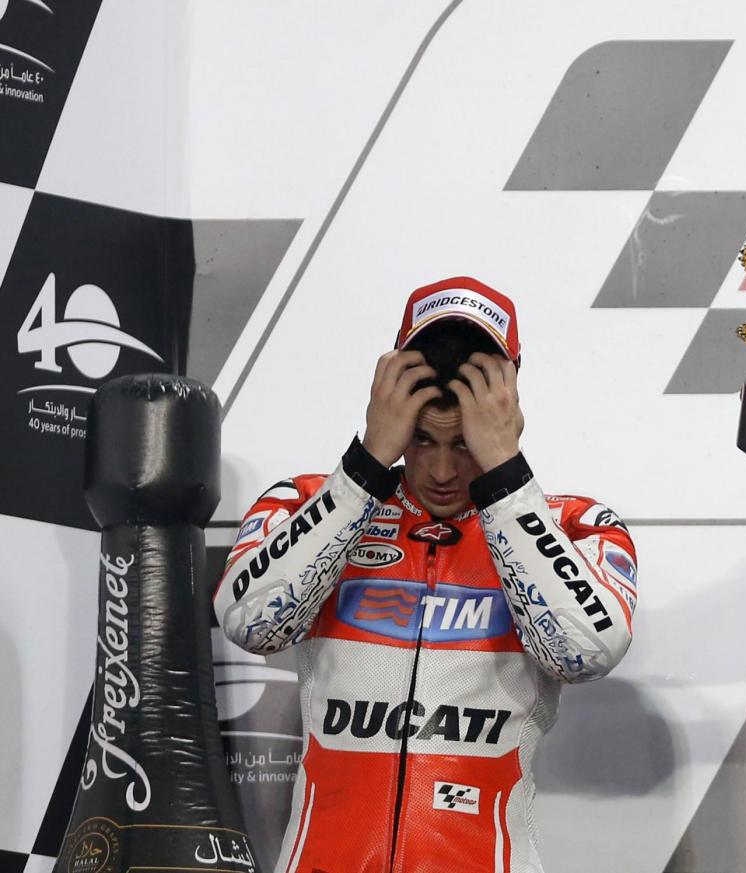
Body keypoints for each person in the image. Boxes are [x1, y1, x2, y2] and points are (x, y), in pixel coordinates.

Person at [214, 276, 639, 873]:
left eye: (463, 444)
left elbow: (584, 653)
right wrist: (365, 465)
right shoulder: (308, 503)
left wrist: (505, 475)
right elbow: (251, 624)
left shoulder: (573, 527)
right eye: (420, 440)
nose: (441, 470)